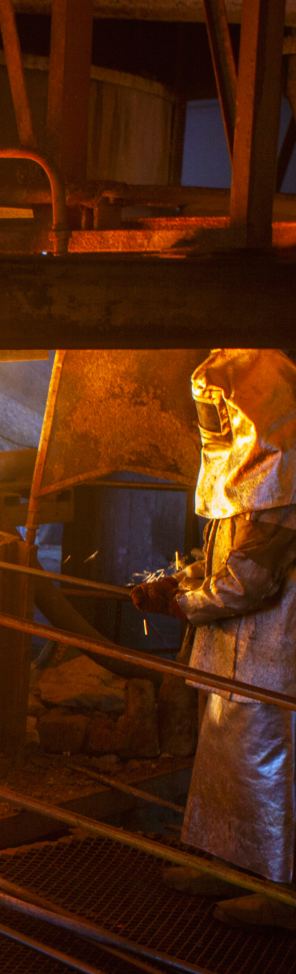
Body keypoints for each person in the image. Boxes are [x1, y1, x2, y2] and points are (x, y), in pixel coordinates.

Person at [133, 348, 296, 929]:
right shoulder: (248, 487)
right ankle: (226, 865)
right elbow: (223, 562)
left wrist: (185, 604)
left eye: (222, 415)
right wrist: (181, 581)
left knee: (271, 772)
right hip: (231, 655)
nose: (215, 427)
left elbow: (251, 579)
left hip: (273, 656)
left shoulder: (285, 489)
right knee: (226, 766)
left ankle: (281, 892)